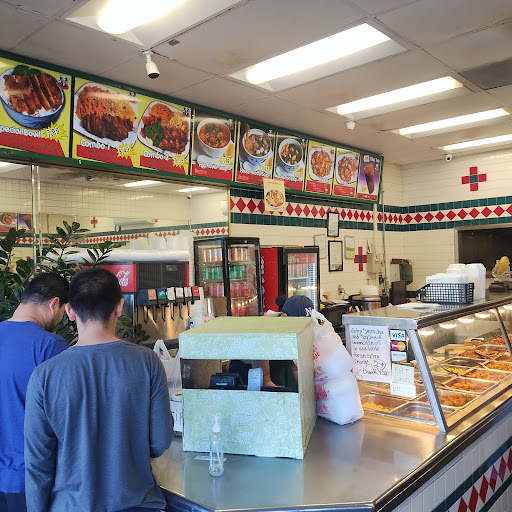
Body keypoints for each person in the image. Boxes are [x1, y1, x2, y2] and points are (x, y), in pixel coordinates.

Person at [24, 267, 172, 512]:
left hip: (72, 506)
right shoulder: (147, 362)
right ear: (119, 307)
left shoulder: (44, 375)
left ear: (70, 311)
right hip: (137, 503)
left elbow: (38, 464)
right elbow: (160, 439)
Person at [0, 273, 69, 512]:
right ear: (54, 304)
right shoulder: (50, 346)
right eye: (63, 311)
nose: (61, 318)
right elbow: (65, 418)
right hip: (30, 480)